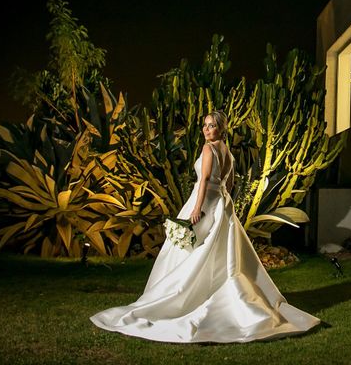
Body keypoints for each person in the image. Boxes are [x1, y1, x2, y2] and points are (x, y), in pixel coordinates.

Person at [90, 110, 320, 343]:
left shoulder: (208, 149)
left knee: (190, 249)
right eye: (205, 125)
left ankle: (186, 296)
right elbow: (228, 184)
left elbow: (204, 180)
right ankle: (214, 292)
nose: (206, 130)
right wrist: (221, 203)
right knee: (217, 251)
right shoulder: (228, 152)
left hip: (205, 202)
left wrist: (197, 207)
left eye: (211, 126)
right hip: (221, 204)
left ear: (221, 129)